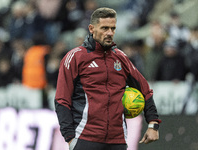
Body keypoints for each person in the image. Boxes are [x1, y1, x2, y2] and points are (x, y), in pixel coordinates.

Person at [55, 7, 161, 150]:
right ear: (91, 28)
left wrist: (153, 123)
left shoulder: (121, 58)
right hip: (86, 138)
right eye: (105, 28)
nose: (110, 33)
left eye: (113, 28)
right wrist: (70, 138)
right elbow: (62, 100)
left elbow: (145, 89)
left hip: (117, 140)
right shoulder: (75, 58)